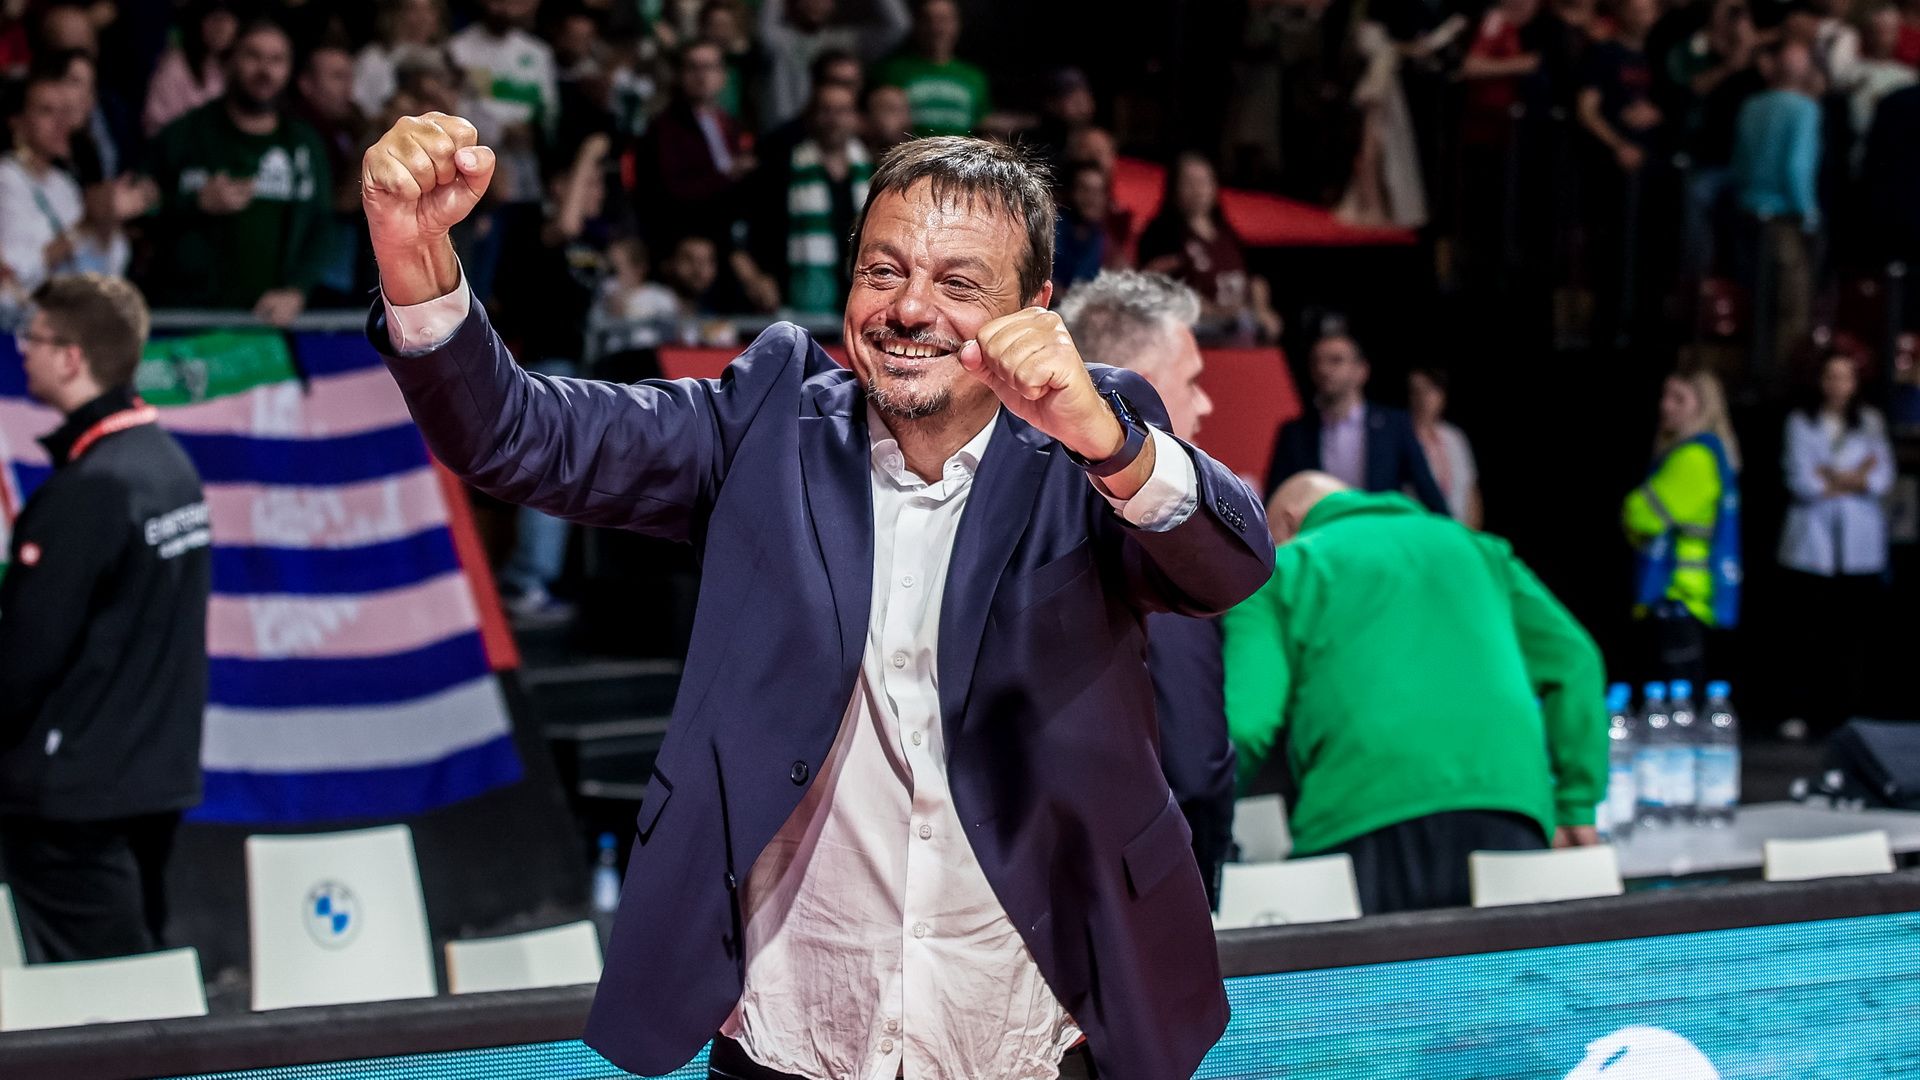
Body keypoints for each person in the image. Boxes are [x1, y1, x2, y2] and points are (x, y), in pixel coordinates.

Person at [361, 113, 1272, 1080]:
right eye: (883, 271)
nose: (909, 308)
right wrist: (414, 258)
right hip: (795, 1038)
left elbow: (1229, 567)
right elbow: (515, 434)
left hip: (1027, 1036)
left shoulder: (1092, 439)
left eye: (958, 284)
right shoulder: (765, 421)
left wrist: (1114, 448)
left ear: (1035, 306)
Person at [1224, 472, 1607, 915]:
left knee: (1378, 963)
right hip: (1506, 808)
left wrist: (1206, 820)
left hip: (1359, 813)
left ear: (1288, 523)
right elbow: (1576, 661)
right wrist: (1576, 803)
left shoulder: (1284, 570)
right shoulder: (1476, 549)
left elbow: (1246, 724)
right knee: (1505, 962)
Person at [0, 273, 211, 962]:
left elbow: (24, 659)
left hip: (75, 799)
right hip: (153, 778)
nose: (21, 350)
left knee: (108, 995)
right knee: (137, 969)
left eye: (32, 337)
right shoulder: (169, 467)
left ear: (71, 358)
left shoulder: (90, 490)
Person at [1058, 270, 1232, 910]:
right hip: (1136, 897)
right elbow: (1194, 761)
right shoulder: (1156, 527)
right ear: (1141, 388)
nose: (1205, 405)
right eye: (1192, 381)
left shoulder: (1016, 502)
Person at [145, 17, 334, 324]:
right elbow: (140, 213)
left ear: (289, 70)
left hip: (268, 324)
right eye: (253, 56)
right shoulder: (185, 134)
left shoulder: (304, 144)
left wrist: (297, 290)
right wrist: (195, 202)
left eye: (277, 60)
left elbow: (323, 226)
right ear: (230, 62)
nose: (265, 70)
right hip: (186, 320)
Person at [1777, 350, 1894, 737]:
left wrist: (1834, 477)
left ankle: (1845, 715)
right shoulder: (1801, 421)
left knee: (1851, 635)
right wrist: (1854, 477)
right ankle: (1800, 711)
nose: (1838, 385)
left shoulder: (1870, 422)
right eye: (1831, 376)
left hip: (1858, 544)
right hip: (1812, 543)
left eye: (1846, 377)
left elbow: (1881, 477)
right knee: (1806, 633)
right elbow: (1802, 480)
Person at [1622, 369, 1742, 691]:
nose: (1666, 406)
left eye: (1679, 399)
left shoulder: (1696, 457)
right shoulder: (1692, 453)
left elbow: (1640, 515)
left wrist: (1632, 509)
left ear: (1703, 407)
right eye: (1665, 396)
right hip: (1681, 598)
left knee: (1676, 702)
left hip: (1681, 594)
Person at [1264, 330, 1449, 509]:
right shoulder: (1294, 433)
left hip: (1377, 527)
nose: (1323, 369)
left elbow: (1427, 490)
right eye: (1316, 361)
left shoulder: (1393, 425)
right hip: (1320, 528)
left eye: (1336, 360)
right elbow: (1275, 498)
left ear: (1361, 370)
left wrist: (1452, 528)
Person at [737, 80, 872, 316]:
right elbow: (745, 234)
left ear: (856, 118)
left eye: (842, 111)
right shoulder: (782, 168)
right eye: (826, 110)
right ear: (811, 117)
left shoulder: (872, 171)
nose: (833, 120)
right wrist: (755, 278)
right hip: (795, 301)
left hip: (857, 299)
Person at [1731, 40, 1822, 380]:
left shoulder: (1751, 105)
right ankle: (1777, 384)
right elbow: (1796, 167)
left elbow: (1740, 162)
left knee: (1757, 302)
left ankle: (1749, 376)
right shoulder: (1804, 109)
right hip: (1784, 219)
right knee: (1790, 308)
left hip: (1747, 212)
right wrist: (1808, 214)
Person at [1, 73, 130, 293]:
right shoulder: (6, 179)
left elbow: (109, 266)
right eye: (46, 111)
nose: (61, 123)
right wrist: (83, 228)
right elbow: (15, 273)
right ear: (18, 122)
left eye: (64, 113)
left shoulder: (64, 184)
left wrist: (105, 220)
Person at [1136, 153, 1284, 342]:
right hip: (1195, 327)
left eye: (1203, 182)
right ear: (1174, 188)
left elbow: (1255, 278)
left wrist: (1262, 310)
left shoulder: (1228, 233)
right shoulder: (1161, 234)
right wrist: (1216, 312)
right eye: (1189, 183)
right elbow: (1160, 286)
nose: (1198, 190)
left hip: (1238, 320)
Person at [633, 39, 754, 249]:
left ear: (723, 75)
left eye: (710, 67)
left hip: (729, 235)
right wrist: (728, 176)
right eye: (693, 67)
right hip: (685, 238)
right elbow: (671, 191)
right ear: (680, 75)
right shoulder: (665, 129)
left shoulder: (731, 124)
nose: (702, 75)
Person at [756, 0, 910, 130]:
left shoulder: (847, 41)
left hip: (841, 136)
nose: (815, 3)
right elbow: (764, 28)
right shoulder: (782, 41)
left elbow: (898, 26)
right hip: (787, 136)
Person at [871, 0, 992, 136]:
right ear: (917, 24)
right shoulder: (893, 71)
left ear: (957, 25)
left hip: (960, 149)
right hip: (910, 147)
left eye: (943, 20)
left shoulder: (974, 77)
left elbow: (983, 124)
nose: (936, 28)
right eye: (928, 20)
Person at [142, 0, 236, 137]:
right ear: (198, 22)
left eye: (228, 20)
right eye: (214, 19)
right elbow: (156, 126)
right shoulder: (176, 67)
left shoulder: (238, 64)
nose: (221, 27)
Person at [1409, 367, 1483, 528]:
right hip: (1420, 529)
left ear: (1442, 395)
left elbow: (1471, 489)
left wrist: (1471, 533)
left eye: (1430, 390)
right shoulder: (1402, 438)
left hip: (1459, 529)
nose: (1423, 398)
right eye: (1416, 391)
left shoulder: (1455, 436)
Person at [351, 0, 446, 122]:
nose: (422, 17)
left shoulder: (445, 58)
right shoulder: (374, 58)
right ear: (396, 14)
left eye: (429, 9)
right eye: (412, 9)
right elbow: (360, 108)